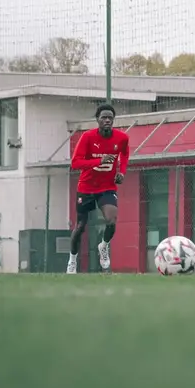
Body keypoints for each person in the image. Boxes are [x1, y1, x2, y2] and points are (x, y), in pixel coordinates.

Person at [68, 103, 129, 274]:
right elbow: (75, 163)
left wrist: (121, 172)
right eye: (104, 118)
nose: (107, 120)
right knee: (80, 226)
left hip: (107, 187)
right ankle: (72, 259)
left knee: (111, 220)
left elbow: (124, 154)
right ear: (97, 120)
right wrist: (99, 161)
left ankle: (104, 245)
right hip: (86, 187)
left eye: (110, 117)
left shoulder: (122, 138)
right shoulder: (87, 137)